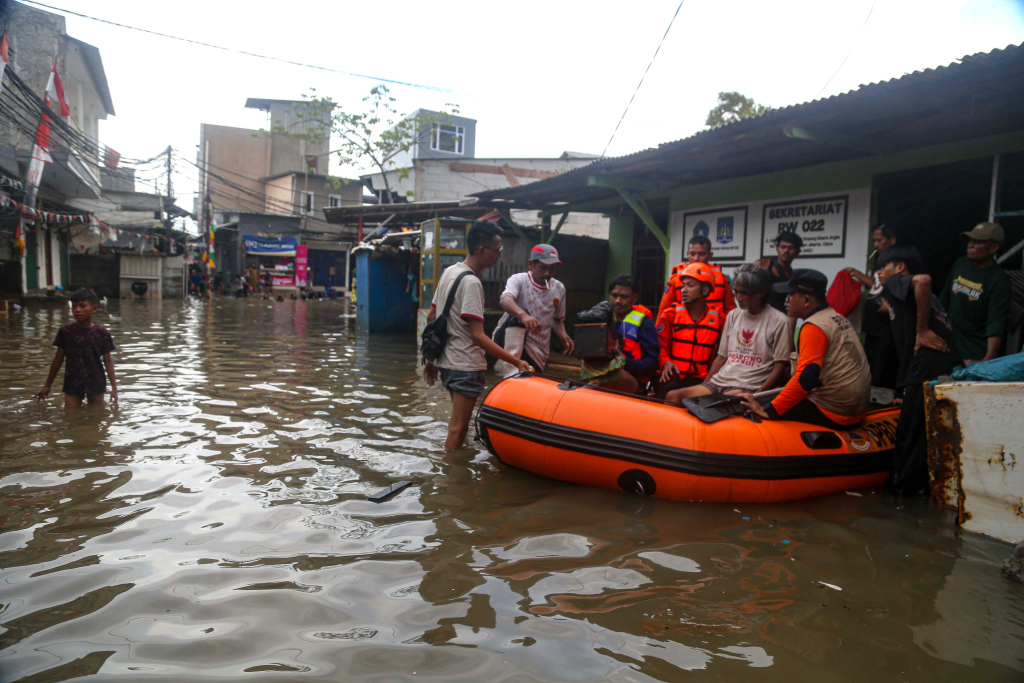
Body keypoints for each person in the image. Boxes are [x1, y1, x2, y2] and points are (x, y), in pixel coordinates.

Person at [423, 221, 532, 450]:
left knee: (458, 426)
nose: (499, 256)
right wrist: (516, 361)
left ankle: (454, 472)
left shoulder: (449, 272)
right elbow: (477, 337)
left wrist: (431, 360)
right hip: (465, 366)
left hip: (448, 365)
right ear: (481, 250)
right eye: (497, 250)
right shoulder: (472, 283)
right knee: (458, 429)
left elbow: (432, 315)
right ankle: (451, 481)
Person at [876, 245, 961, 493]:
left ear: (900, 268)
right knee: (928, 433)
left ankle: (904, 496)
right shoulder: (905, 297)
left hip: (927, 364)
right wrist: (904, 393)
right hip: (942, 367)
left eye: (883, 268)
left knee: (910, 437)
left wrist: (922, 331)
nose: (879, 273)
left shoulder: (895, 283)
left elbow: (923, 280)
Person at [740, 269, 871, 429]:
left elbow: (807, 378)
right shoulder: (834, 317)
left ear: (806, 300)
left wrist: (770, 410)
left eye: (791, 295)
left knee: (752, 409)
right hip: (856, 407)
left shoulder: (814, 327)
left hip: (835, 411)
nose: (786, 300)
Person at [665, 264, 791, 403]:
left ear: (760, 293)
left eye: (744, 293)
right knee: (673, 396)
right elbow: (722, 357)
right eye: (736, 292)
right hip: (720, 381)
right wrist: (704, 385)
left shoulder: (780, 321)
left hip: (747, 387)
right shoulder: (733, 315)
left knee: (718, 404)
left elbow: (779, 365)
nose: (738, 297)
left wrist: (758, 395)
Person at [493, 243, 574, 371]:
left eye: (552, 269)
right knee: (519, 316)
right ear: (531, 264)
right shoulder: (519, 280)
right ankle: (510, 371)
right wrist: (524, 316)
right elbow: (505, 300)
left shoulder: (559, 288)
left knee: (531, 380)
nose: (547, 273)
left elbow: (558, 319)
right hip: (508, 340)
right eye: (543, 267)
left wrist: (563, 334)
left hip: (539, 349)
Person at [939, 222, 1011, 364]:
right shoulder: (960, 264)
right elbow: (943, 300)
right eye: (970, 240)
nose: (970, 245)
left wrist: (989, 359)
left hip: (974, 355)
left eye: (978, 242)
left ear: (993, 248)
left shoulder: (999, 279)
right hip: (948, 348)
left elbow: (996, 322)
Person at [35, 288, 118, 408]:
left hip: (95, 380)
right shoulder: (66, 331)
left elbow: (108, 360)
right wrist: (47, 385)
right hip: (72, 381)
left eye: (82, 306)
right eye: (74, 306)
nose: (77, 310)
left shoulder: (101, 333)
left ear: (94, 309)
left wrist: (114, 388)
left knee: (96, 418)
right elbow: (58, 359)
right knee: (71, 418)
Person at [843, 223, 900, 388]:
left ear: (892, 239)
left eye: (879, 240)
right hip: (873, 326)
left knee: (883, 368)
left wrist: (891, 308)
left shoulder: (897, 263)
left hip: (887, 327)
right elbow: (877, 285)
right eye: (874, 241)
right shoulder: (882, 261)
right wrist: (857, 274)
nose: (875, 245)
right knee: (871, 365)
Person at [655, 262, 724, 399]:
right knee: (667, 391)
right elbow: (659, 345)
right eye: (683, 286)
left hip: (702, 379)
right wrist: (665, 361)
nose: (683, 290)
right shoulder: (670, 314)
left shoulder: (721, 320)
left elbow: (723, 355)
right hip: (671, 374)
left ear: (705, 290)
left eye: (690, 286)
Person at [604, 274, 659, 393]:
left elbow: (652, 364)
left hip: (633, 380)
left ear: (635, 298)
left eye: (624, 297)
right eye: (614, 295)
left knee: (612, 373)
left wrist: (625, 363)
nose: (618, 301)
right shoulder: (603, 318)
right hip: (602, 374)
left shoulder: (645, 324)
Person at [659, 236, 737, 318]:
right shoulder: (675, 279)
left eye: (701, 254)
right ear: (687, 254)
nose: (696, 258)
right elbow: (663, 312)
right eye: (692, 254)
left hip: (714, 327)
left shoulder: (722, 278)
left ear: (710, 255)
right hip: (683, 327)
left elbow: (731, 312)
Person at [755, 231, 803, 314]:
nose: (786, 251)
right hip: (759, 315)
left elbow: (793, 308)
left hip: (780, 318)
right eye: (783, 247)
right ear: (777, 248)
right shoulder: (762, 265)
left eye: (791, 248)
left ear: (798, 251)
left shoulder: (794, 276)